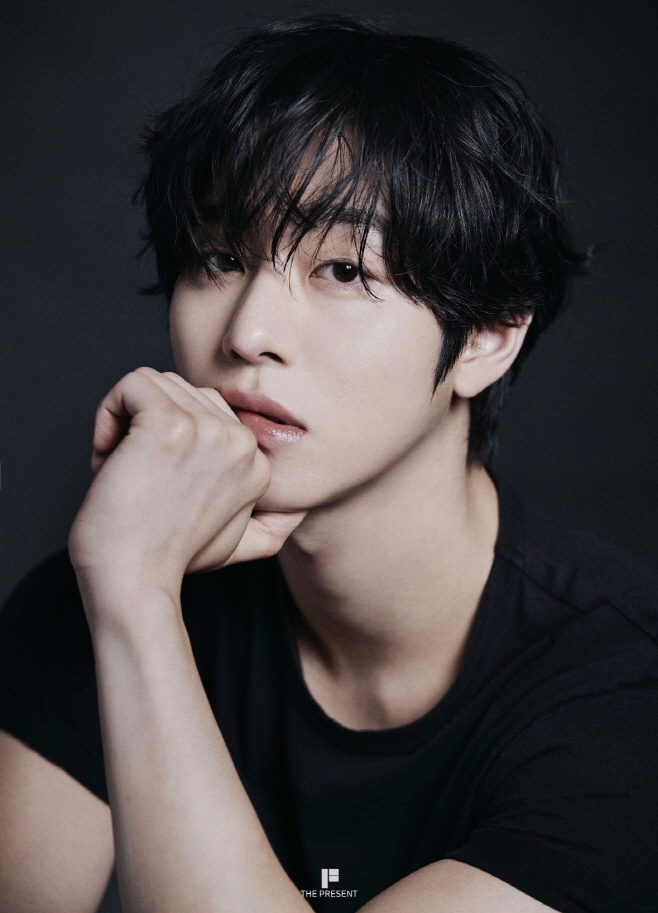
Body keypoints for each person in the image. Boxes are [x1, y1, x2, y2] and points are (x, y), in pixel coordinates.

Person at [0, 13, 656, 913]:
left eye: (344, 271)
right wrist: (127, 590)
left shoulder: (627, 690)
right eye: (220, 257)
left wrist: (138, 599)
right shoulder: (99, 594)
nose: (248, 332)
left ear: (491, 335)